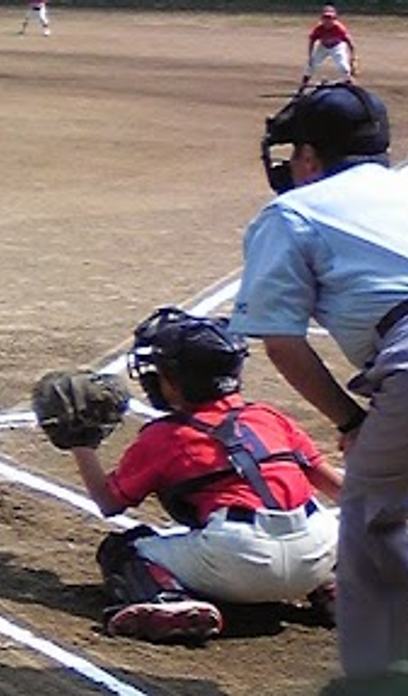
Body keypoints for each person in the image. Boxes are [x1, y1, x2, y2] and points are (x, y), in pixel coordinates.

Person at [229, 83, 408, 689]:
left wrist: (351, 421)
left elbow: (281, 342)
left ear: (309, 154)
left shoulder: (294, 213)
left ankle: (382, 680)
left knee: (377, 527)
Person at [69, 307, 342, 643]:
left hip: (237, 557)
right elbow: (344, 491)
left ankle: (166, 601)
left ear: (172, 380)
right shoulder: (268, 416)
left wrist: (81, 444)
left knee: (124, 549)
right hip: (317, 548)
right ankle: (337, 588)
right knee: (335, 528)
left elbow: (109, 503)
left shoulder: (165, 436)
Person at [299, 5, 356, 92]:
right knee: (311, 65)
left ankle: (350, 83)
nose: (327, 20)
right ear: (321, 18)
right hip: (323, 47)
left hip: (337, 46)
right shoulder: (319, 28)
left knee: (343, 67)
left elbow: (349, 42)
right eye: (325, 17)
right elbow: (312, 41)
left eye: (330, 18)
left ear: (335, 18)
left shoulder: (339, 28)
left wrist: (352, 58)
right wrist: (310, 56)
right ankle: (303, 86)